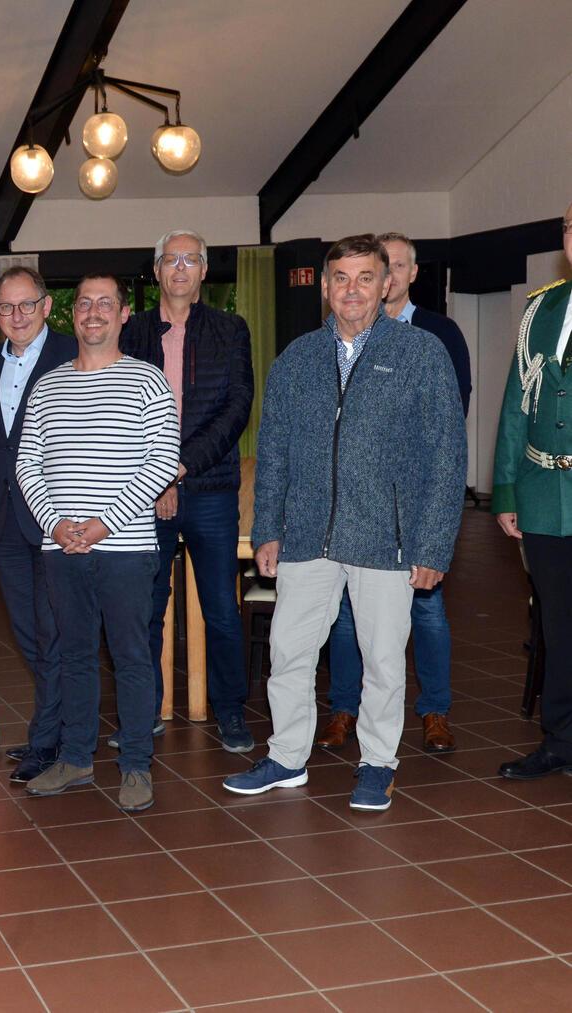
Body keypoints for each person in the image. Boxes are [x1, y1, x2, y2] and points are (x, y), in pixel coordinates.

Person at [224, 234, 466, 811]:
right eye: (340, 278)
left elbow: (447, 455)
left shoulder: (421, 354)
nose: (351, 289)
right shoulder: (298, 358)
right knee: (289, 650)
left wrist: (433, 545)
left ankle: (377, 763)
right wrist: (268, 529)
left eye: (364, 278)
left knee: (383, 659)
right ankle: (286, 757)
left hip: (389, 538)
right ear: (326, 286)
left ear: (387, 284)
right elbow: (275, 450)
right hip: (308, 535)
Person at [16, 274, 179, 812]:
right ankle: (77, 758)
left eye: (105, 304)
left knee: (132, 657)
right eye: (84, 303)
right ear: (71, 314)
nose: (93, 313)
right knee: (75, 658)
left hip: (126, 548)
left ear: (124, 314)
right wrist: (54, 523)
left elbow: (161, 461)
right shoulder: (48, 386)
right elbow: (27, 465)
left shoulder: (148, 382)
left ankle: (135, 764)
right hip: (61, 549)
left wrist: (104, 524)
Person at [320, 231, 472, 755]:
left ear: (400, 276)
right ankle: (344, 707)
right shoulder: (333, 341)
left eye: (398, 267)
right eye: (347, 277)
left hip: (412, 507)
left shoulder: (437, 336)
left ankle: (434, 711)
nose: (385, 279)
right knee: (346, 616)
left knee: (426, 613)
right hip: (357, 515)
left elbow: (451, 424)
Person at [124, 230, 254, 752]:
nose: (180, 268)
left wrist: (176, 468)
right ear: (155, 271)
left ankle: (230, 712)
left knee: (222, 607)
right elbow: (120, 413)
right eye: (169, 259)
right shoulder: (129, 334)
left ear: (204, 271)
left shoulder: (231, 330)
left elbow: (237, 408)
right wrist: (153, 478)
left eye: (191, 259)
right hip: (139, 494)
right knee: (144, 607)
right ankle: (146, 710)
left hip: (211, 490)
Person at [0, 267, 75, 783]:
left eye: (25, 305)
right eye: (5, 308)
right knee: (28, 634)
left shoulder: (71, 356)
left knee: (52, 631)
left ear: (46, 306)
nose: (16, 316)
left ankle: (48, 740)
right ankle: (57, 726)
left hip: (57, 519)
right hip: (5, 520)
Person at [490, 200, 572, 780]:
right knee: (557, 624)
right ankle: (561, 741)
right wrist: (506, 489)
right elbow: (517, 401)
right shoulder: (541, 308)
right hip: (545, 495)